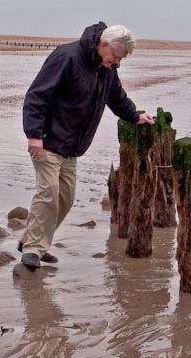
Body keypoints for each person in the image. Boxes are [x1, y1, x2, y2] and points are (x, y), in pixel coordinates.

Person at [19, 21, 155, 268]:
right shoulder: (67, 57)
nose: (117, 63)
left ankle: (32, 240)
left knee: (65, 199)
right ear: (103, 45)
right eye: (116, 57)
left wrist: (135, 116)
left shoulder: (106, 69)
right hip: (49, 140)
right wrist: (34, 134)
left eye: (121, 60)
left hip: (72, 148)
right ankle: (33, 250)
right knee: (48, 194)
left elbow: (117, 98)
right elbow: (37, 95)